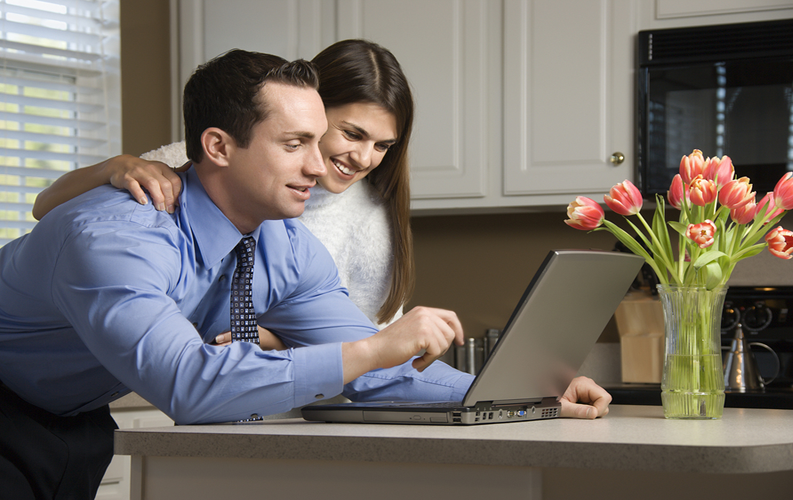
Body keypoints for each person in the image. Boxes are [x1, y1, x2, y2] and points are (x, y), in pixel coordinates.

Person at [0, 49, 473, 499]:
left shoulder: (286, 247)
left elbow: (381, 376)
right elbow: (188, 384)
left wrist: (520, 395)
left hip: (79, 418)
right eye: (294, 144)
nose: (316, 165)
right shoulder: (118, 237)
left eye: (316, 140)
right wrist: (370, 347)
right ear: (219, 146)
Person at [34, 39, 414, 329]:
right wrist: (116, 167)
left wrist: (280, 338)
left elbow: (370, 338)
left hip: (308, 405)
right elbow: (46, 207)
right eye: (351, 134)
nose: (365, 159)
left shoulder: (367, 219)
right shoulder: (193, 164)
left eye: (382, 145)